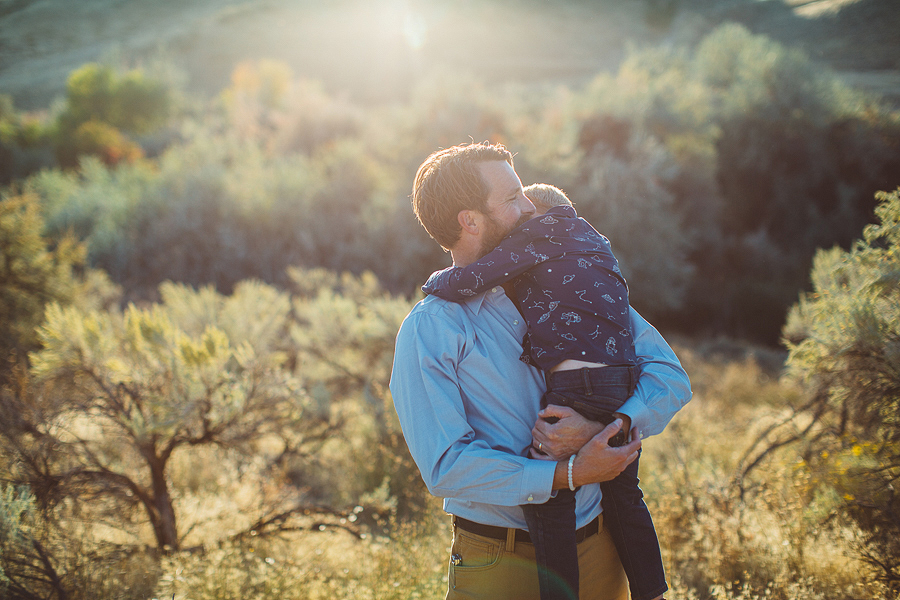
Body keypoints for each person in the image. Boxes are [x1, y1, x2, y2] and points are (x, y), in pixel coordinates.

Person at [389, 142, 691, 600]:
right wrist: (567, 473)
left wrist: (608, 426)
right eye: (511, 199)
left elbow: (669, 378)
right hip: (498, 562)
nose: (531, 205)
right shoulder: (430, 329)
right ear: (469, 221)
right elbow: (445, 466)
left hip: (602, 546)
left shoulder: (574, 289)